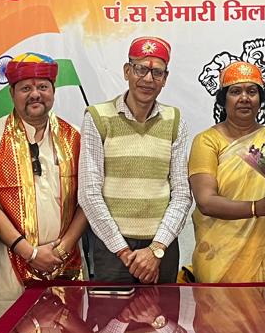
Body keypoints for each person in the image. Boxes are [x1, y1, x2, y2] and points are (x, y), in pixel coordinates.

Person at [0, 52, 88, 325]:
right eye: (26, 88)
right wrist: (30, 253)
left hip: (67, 259)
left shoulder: (74, 135)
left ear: (53, 91)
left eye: (42, 87)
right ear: (12, 92)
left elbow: (87, 200)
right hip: (11, 262)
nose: (35, 94)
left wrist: (62, 250)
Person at [78, 36, 191, 284]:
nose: (148, 79)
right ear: (127, 71)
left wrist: (156, 249)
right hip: (112, 250)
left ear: (165, 79)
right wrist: (123, 251)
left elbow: (182, 193)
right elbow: (88, 193)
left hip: (162, 249)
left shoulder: (174, 120)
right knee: (113, 310)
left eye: (157, 72)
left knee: (162, 310)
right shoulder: (97, 117)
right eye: (141, 69)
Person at [188, 61, 265, 284]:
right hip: (220, 257)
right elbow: (205, 201)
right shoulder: (207, 141)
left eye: (252, 92)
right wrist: (255, 208)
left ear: (260, 99)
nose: (244, 98)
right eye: (235, 91)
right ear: (223, 99)